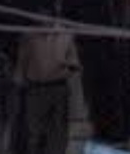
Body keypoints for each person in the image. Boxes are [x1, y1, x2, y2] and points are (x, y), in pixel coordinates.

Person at [14, 26, 81, 154]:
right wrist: (20, 82)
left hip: (58, 88)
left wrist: (59, 73)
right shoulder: (29, 35)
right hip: (35, 88)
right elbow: (22, 61)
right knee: (33, 132)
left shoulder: (66, 35)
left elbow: (74, 64)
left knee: (57, 132)